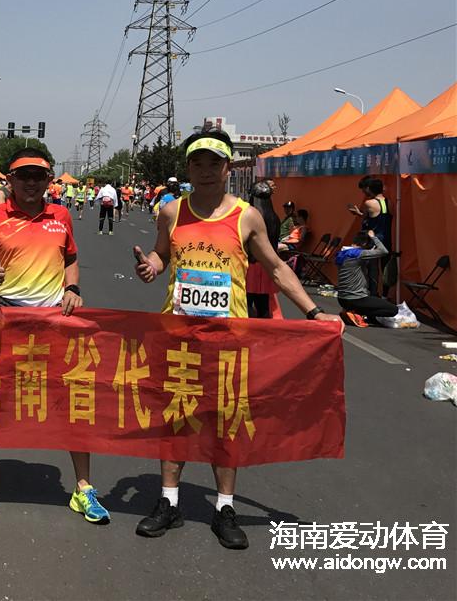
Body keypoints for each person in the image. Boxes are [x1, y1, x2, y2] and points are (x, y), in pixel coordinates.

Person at [133, 129, 341, 550]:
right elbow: (161, 253)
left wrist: (314, 311)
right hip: (179, 334)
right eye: (197, 163)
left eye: (214, 163)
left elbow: (278, 268)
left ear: (228, 168)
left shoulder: (247, 216)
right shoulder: (171, 212)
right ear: (188, 168)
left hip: (229, 338)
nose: (205, 171)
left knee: (226, 422)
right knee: (176, 415)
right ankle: (168, 501)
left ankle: (224, 507)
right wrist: (152, 266)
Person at [0, 149, 107, 524]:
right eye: (23, 175)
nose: (31, 182)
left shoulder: (60, 216)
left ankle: (83, 489)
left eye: (38, 176)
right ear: (10, 180)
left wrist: (73, 288)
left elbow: (71, 258)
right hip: (7, 317)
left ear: (49, 181)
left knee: (73, 402)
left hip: (54, 323)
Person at [336, 231, 398, 327]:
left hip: (342, 299)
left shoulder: (341, 253)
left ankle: (352, 312)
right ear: (364, 244)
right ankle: (357, 313)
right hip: (357, 299)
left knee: (373, 301)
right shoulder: (358, 254)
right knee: (393, 310)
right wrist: (374, 237)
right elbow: (384, 251)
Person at [348, 177, 393, 295]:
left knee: (372, 269)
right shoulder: (389, 202)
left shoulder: (369, 203)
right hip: (386, 238)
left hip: (373, 239)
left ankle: (372, 293)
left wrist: (358, 213)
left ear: (368, 189)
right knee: (385, 268)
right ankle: (385, 295)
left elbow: (366, 217)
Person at [246, 182, 283, 319]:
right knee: (263, 305)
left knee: (246, 303)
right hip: (267, 266)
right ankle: (264, 333)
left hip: (250, 265)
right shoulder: (274, 218)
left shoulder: (250, 217)